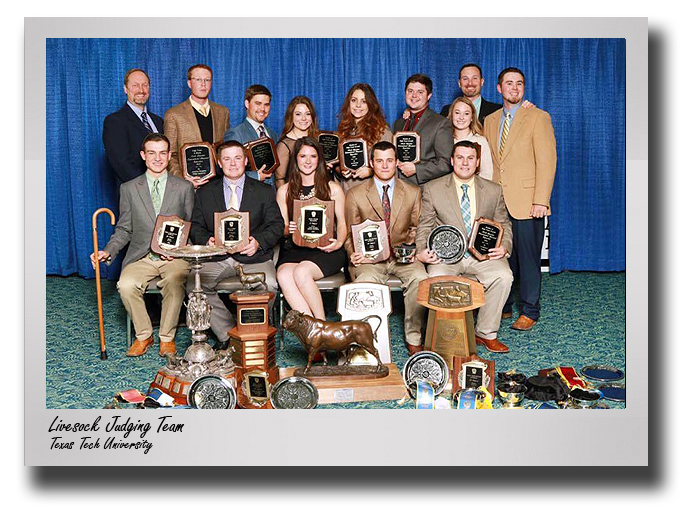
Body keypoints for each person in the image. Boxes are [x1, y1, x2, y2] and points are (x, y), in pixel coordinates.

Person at [90, 134, 194, 357]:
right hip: (142, 256)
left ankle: (167, 338)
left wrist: (179, 250)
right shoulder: (128, 189)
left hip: (174, 257)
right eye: (152, 153)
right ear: (143, 156)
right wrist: (108, 251)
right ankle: (144, 335)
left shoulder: (184, 187)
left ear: (169, 156)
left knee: (175, 282)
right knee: (125, 285)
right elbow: (125, 228)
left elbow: (191, 227)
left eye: (162, 153)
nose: (157, 158)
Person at [415, 140, 513, 353]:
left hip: (483, 255)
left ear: (477, 162)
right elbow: (425, 224)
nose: (465, 163)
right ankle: (436, 335)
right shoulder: (433, 188)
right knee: (435, 280)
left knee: (504, 276)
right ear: (452, 161)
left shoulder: (493, 190)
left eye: (470, 158)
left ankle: (486, 332)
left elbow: (504, 223)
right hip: (446, 257)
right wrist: (422, 250)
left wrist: (504, 246)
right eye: (460, 157)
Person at [188, 140, 284, 349]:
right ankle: (229, 334)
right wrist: (207, 240)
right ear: (219, 163)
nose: (233, 163)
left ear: (246, 161)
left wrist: (258, 242)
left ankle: (254, 332)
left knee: (269, 285)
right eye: (227, 159)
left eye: (238, 158)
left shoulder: (264, 191)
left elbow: (276, 225)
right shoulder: (204, 192)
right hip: (217, 257)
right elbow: (195, 226)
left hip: (252, 257)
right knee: (193, 286)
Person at [483, 67, 557, 331]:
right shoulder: (490, 120)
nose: (515, 88)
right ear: (498, 88)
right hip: (498, 201)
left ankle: (530, 310)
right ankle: (504, 305)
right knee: (502, 256)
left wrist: (541, 200)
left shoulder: (538, 116)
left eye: (519, 83)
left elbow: (547, 161)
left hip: (527, 201)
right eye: (509, 83)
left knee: (527, 258)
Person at [345, 141, 427, 355]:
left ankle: (414, 336)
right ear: (371, 163)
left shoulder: (412, 191)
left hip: (403, 257)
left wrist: (409, 250)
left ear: (397, 162)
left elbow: (415, 227)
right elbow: (348, 232)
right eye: (379, 161)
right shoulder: (355, 194)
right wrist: (353, 253)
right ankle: (367, 341)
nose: (384, 166)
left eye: (389, 160)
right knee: (364, 284)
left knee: (420, 278)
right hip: (370, 260)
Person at [276, 137, 347, 320]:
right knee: (284, 275)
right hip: (294, 248)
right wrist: (288, 228)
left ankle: (321, 323)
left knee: (301, 272)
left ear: (319, 160)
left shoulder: (333, 189)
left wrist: (338, 243)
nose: (307, 161)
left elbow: (342, 225)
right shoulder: (284, 190)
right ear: (296, 159)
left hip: (325, 250)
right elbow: (282, 228)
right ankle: (312, 328)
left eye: (313, 156)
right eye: (303, 156)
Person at [163, 64, 230, 187]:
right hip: (191, 186)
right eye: (198, 79)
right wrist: (183, 180)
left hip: (219, 185)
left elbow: (226, 149)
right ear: (189, 83)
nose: (203, 84)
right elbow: (170, 154)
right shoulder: (173, 114)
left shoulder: (223, 112)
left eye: (207, 80)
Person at [103, 68, 164, 184]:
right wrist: (149, 187)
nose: (141, 90)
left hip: (164, 193)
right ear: (125, 89)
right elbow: (121, 164)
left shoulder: (158, 121)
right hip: (136, 194)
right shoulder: (115, 121)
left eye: (145, 85)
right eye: (135, 85)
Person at [392, 73, 453, 185]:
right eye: (410, 91)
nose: (414, 95)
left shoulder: (440, 123)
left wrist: (417, 169)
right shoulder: (398, 123)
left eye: (420, 92)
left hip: (424, 190)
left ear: (429, 95)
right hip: (397, 187)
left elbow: (446, 163)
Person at [335, 83, 392, 192]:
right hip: (346, 191)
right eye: (354, 100)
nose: (358, 105)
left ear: (371, 105)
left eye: (364, 101)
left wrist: (370, 171)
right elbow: (337, 166)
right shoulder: (342, 131)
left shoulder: (382, 131)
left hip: (370, 193)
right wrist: (340, 170)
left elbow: (391, 166)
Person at [223, 84, 279, 186]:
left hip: (272, 196)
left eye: (266, 104)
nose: (262, 108)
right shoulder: (235, 134)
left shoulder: (273, 135)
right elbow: (227, 169)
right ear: (247, 104)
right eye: (258, 103)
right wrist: (256, 176)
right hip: (249, 195)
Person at [276, 96, 319, 189]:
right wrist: (286, 200)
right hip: (294, 196)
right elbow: (279, 179)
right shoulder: (284, 145)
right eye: (298, 114)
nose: (303, 118)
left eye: (307, 114)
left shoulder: (318, 139)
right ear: (291, 116)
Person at [447, 96, 494, 180]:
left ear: (472, 117)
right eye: (457, 113)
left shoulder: (480, 141)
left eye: (466, 113)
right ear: (451, 115)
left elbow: (487, 173)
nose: (461, 117)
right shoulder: (444, 140)